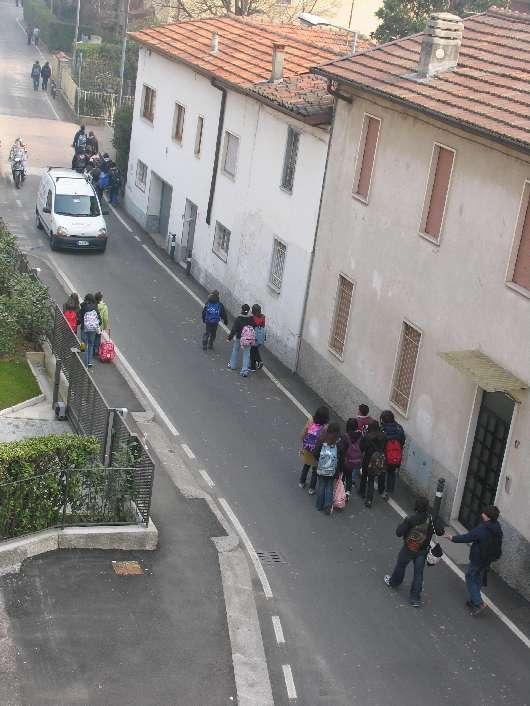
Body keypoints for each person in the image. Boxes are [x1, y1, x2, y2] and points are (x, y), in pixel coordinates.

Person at [384, 497, 445, 607]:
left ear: (416, 507)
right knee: (418, 574)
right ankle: (415, 598)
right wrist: (435, 520)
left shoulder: (411, 519)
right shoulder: (431, 520)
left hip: (408, 548)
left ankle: (394, 582)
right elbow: (441, 532)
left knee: (401, 566)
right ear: (427, 507)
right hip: (422, 551)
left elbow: (398, 532)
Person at [445, 506, 503, 616]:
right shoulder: (497, 527)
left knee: (470, 578)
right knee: (478, 579)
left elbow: (468, 537)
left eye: (484, 513)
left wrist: (452, 538)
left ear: (488, 517)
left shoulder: (482, 529)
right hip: (487, 559)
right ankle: (473, 600)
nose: (482, 514)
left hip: (477, 559)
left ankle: (479, 603)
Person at [313, 422, 345, 514]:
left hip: (321, 468)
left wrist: (320, 461)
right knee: (329, 486)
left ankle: (319, 505)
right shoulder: (339, 443)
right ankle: (327, 506)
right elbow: (342, 458)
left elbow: (315, 453)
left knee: (321, 485)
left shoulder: (322, 439)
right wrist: (340, 470)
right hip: (333, 469)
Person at [299, 406, 330, 495]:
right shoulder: (326, 427)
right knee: (315, 471)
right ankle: (312, 488)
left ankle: (302, 482)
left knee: (306, 465)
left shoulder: (311, 420)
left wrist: (303, 443)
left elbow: (304, 432)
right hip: (317, 451)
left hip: (308, 448)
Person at [379, 410, 406, 501]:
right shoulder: (399, 428)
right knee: (392, 473)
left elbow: (380, 442)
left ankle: (382, 490)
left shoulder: (383, 430)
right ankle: (389, 490)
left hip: (385, 455)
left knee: (382, 472)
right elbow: (402, 441)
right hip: (395, 456)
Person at [359, 420, 386, 507]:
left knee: (365, 476)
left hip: (368, 459)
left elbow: (361, 448)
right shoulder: (383, 436)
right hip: (378, 460)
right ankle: (371, 498)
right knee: (372, 478)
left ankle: (362, 492)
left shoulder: (367, 436)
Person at [227, 303, 253, 376]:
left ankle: (232, 365)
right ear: (248, 311)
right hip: (248, 339)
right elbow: (254, 327)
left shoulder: (239, 318)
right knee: (247, 354)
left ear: (242, 310)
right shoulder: (251, 319)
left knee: (235, 350)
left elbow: (234, 329)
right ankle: (244, 370)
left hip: (239, 337)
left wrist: (229, 338)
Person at [79, 293, 101, 368]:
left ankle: (84, 359)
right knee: (91, 344)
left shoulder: (83, 306)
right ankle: (89, 362)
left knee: (83, 342)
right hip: (92, 330)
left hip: (84, 328)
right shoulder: (95, 307)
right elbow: (99, 320)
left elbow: (80, 317)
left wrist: (80, 323)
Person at [344, 417, 363, 499]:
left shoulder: (345, 436)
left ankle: (340, 492)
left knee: (343, 475)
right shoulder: (360, 435)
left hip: (346, 460)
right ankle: (348, 492)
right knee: (349, 477)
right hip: (356, 459)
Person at [250, 304, 265, 371]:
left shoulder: (252, 318)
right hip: (260, 336)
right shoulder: (263, 317)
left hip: (254, 336)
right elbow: (263, 326)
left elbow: (251, 327)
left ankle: (253, 367)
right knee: (255, 349)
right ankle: (259, 361)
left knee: (252, 351)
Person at [94, 292, 109, 358]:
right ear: (101, 298)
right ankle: (96, 350)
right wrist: (105, 327)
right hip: (99, 325)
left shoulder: (93, 304)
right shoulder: (104, 307)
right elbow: (105, 318)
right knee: (98, 337)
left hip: (92, 324)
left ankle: (90, 350)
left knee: (92, 337)